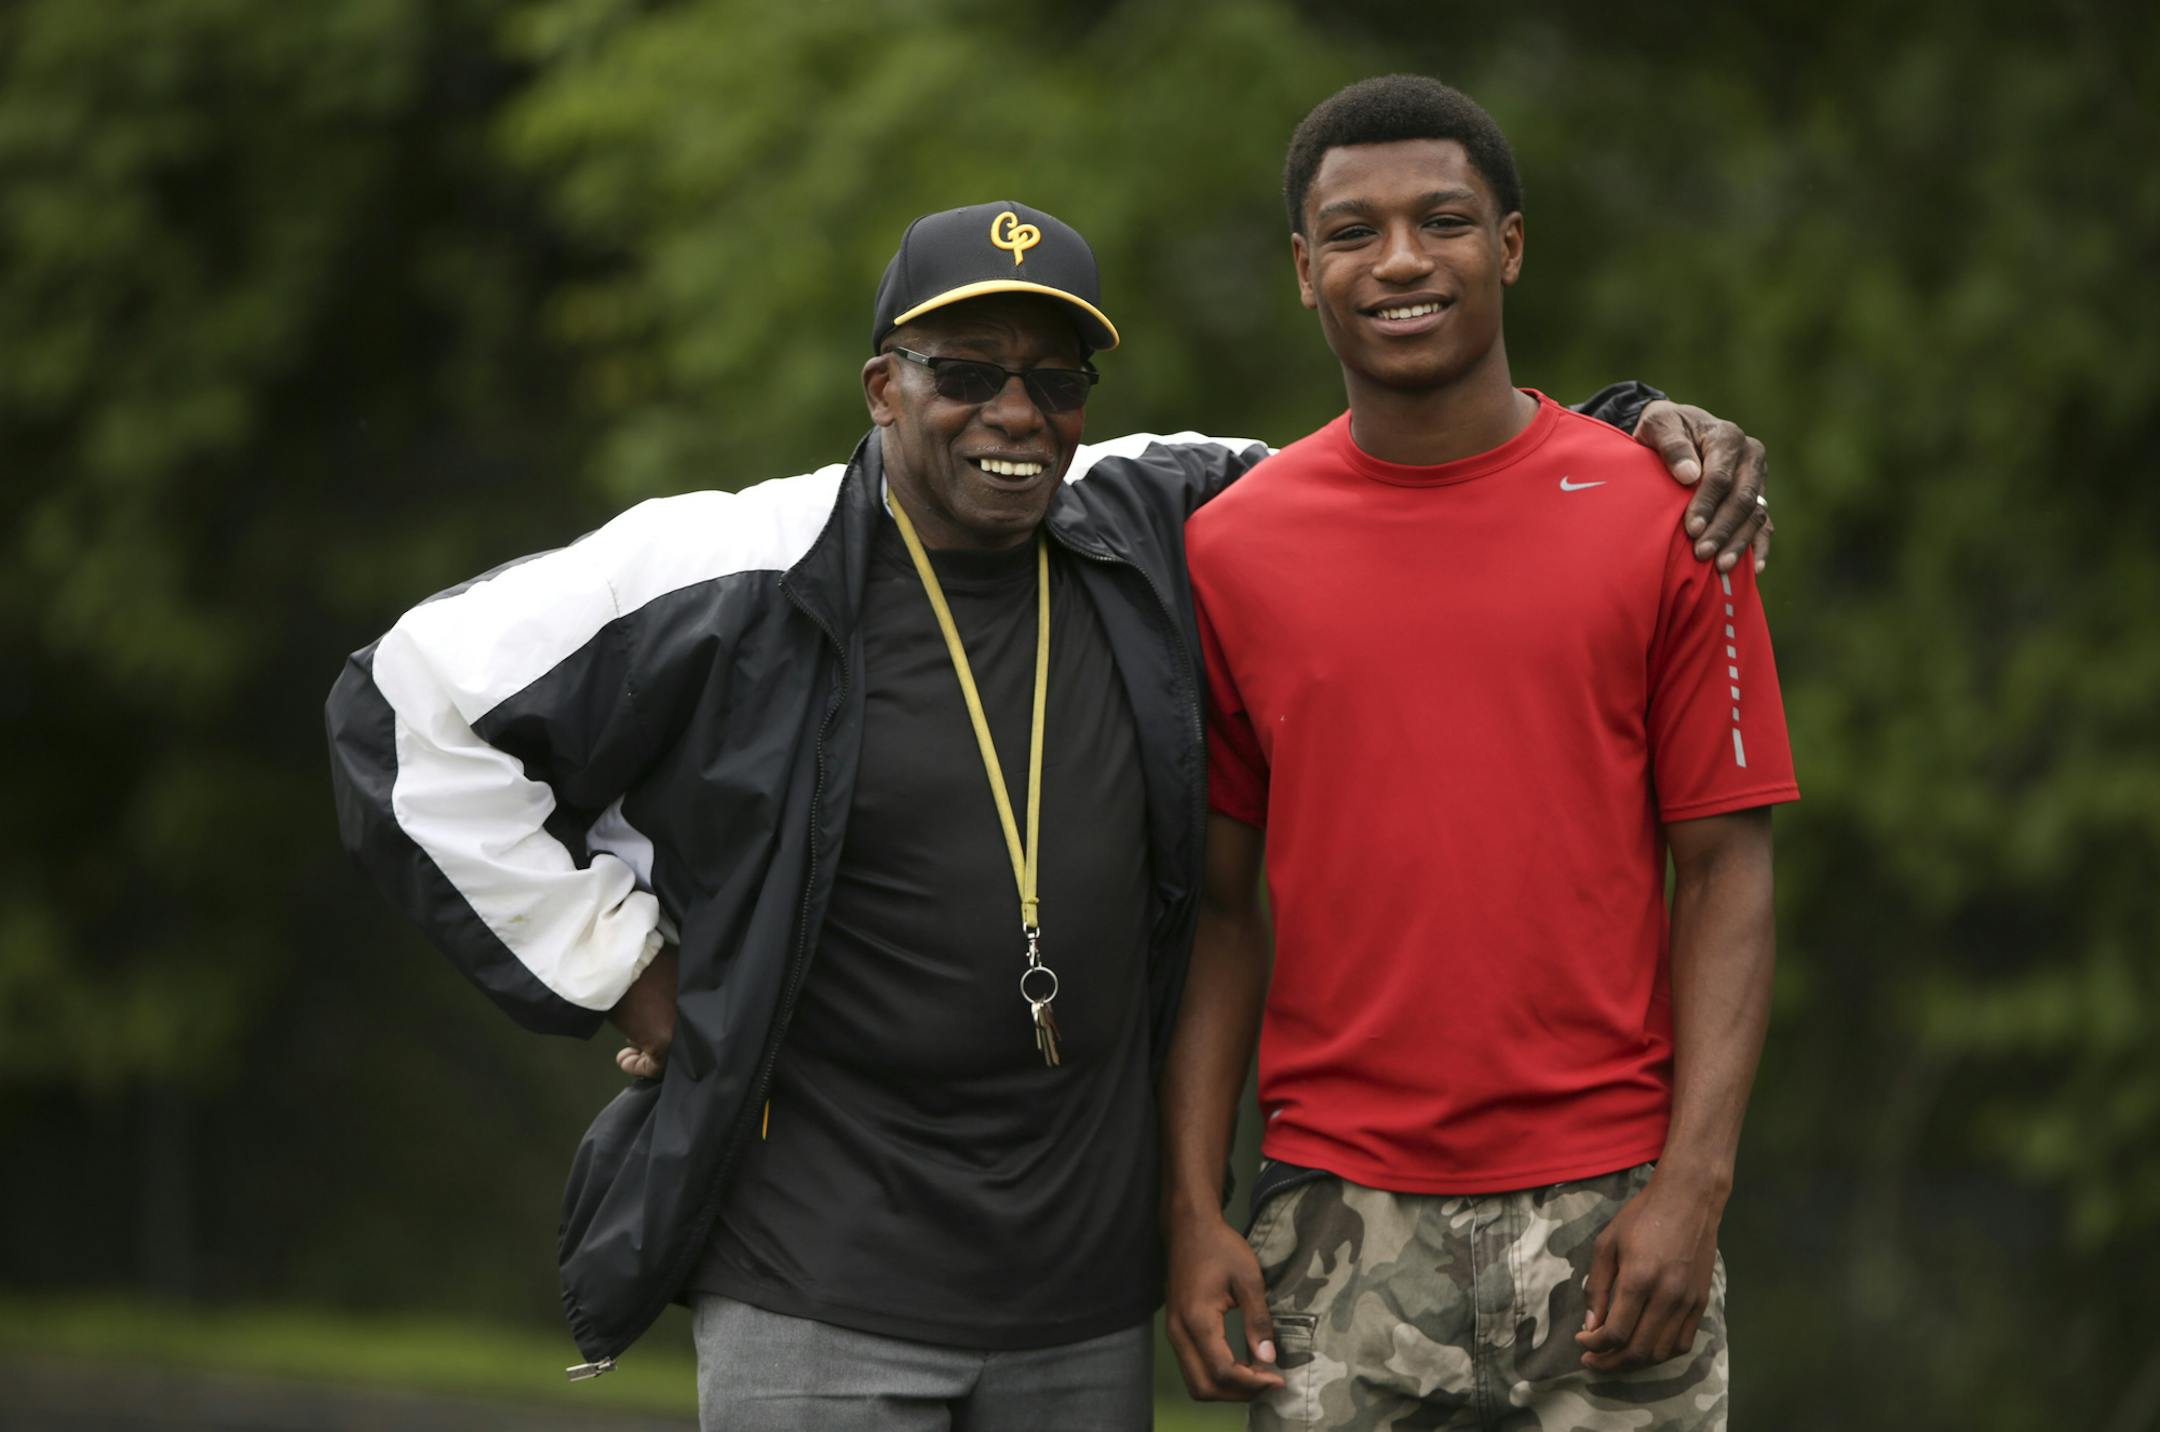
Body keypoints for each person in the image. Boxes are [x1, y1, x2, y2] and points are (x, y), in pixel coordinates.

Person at [325, 197, 1769, 1430]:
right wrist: (619, 966)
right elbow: (407, 708)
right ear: (882, 386)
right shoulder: (734, 566)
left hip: (1073, 1294)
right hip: (815, 1264)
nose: (1016, 414)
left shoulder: (1151, 516)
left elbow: (1421, 475)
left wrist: (1630, 427)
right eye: (965, 371)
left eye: (1057, 378)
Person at [1164, 76, 1800, 1431]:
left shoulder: (1667, 515)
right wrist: (1194, 1209)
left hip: (1614, 1219)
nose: (1399, 261)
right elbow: (1219, 914)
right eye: (1353, 231)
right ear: (1302, 270)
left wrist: (1692, 1188)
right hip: (1333, 1229)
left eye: (1441, 220)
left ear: (1507, 246)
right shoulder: (1228, 548)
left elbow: (1728, 875)